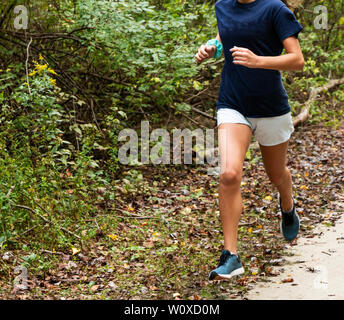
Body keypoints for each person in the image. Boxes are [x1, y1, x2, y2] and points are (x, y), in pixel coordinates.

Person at [194, 0, 304, 281]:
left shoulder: (275, 9)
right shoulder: (222, 7)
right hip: (233, 103)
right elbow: (224, 37)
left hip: (271, 108)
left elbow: (297, 60)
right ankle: (230, 256)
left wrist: (258, 61)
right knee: (229, 174)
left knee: (276, 174)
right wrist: (212, 47)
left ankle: (288, 206)